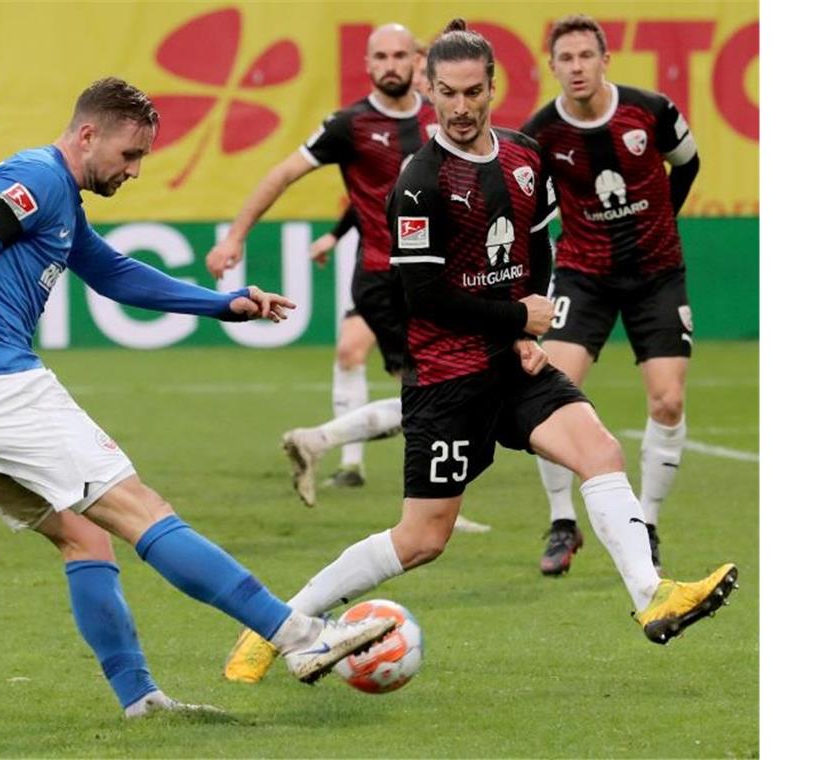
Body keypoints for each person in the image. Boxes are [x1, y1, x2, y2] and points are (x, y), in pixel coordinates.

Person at [221, 20, 736, 685]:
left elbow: (540, 245)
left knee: (601, 451)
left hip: (511, 365)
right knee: (422, 539)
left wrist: (528, 333)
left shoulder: (525, 159)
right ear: (429, 90)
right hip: (446, 380)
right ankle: (277, 623)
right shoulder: (419, 181)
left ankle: (651, 595)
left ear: (493, 86)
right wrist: (518, 315)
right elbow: (424, 295)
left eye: (473, 92)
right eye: (448, 94)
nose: (461, 109)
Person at [0, 77, 396, 716]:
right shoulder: (34, 178)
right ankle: (301, 637)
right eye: (130, 155)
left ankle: (140, 701)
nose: (135, 171)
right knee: (144, 509)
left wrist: (222, 303)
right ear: (88, 135)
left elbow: (114, 273)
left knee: (86, 540)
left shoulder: (61, 199)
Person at [207, 23, 433, 494]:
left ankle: (324, 444)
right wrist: (235, 237)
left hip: (438, 276)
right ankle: (358, 463)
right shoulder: (349, 124)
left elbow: (396, 193)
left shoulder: (440, 121)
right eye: (381, 57)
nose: (391, 65)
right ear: (368, 65)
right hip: (384, 281)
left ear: (417, 60)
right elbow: (283, 173)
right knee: (433, 390)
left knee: (436, 393)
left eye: (400, 55)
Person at [520, 15, 701, 576]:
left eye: (585, 57)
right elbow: (530, 210)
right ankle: (562, 520)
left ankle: (645, 523)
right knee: (547, 388)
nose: (576, 67)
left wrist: (662, 223)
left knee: (667, 401)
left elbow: (688, 163)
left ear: (605, 61)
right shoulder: (541, 133)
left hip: (656, 274)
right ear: (552, 66)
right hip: (583, 274)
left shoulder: (651, 111)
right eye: (565, 58)